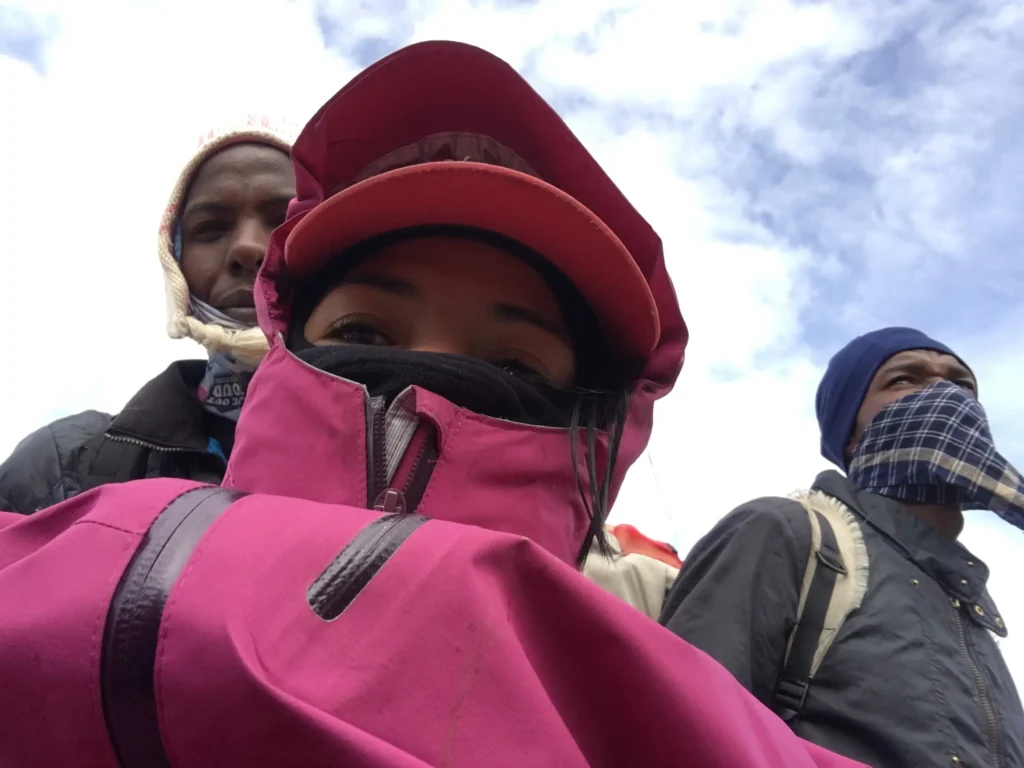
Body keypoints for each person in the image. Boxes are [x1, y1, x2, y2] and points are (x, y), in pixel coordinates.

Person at [0, 42, 866, 768]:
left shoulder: (633, 616)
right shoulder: (80, 481)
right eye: (368, 333)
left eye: (514, 363)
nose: (429, 374)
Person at [661, 326, 1024, 768]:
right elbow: (680, 727)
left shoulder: (972, 610)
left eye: (962, 385)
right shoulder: (786, 532)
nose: (947, 394)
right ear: (850, 434)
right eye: (903, 380)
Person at [0, 117, 295, 514]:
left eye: (286, 220)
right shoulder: (62, 464)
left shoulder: (401, 447)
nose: (247, 248)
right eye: (210, 228)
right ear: (175, 262)